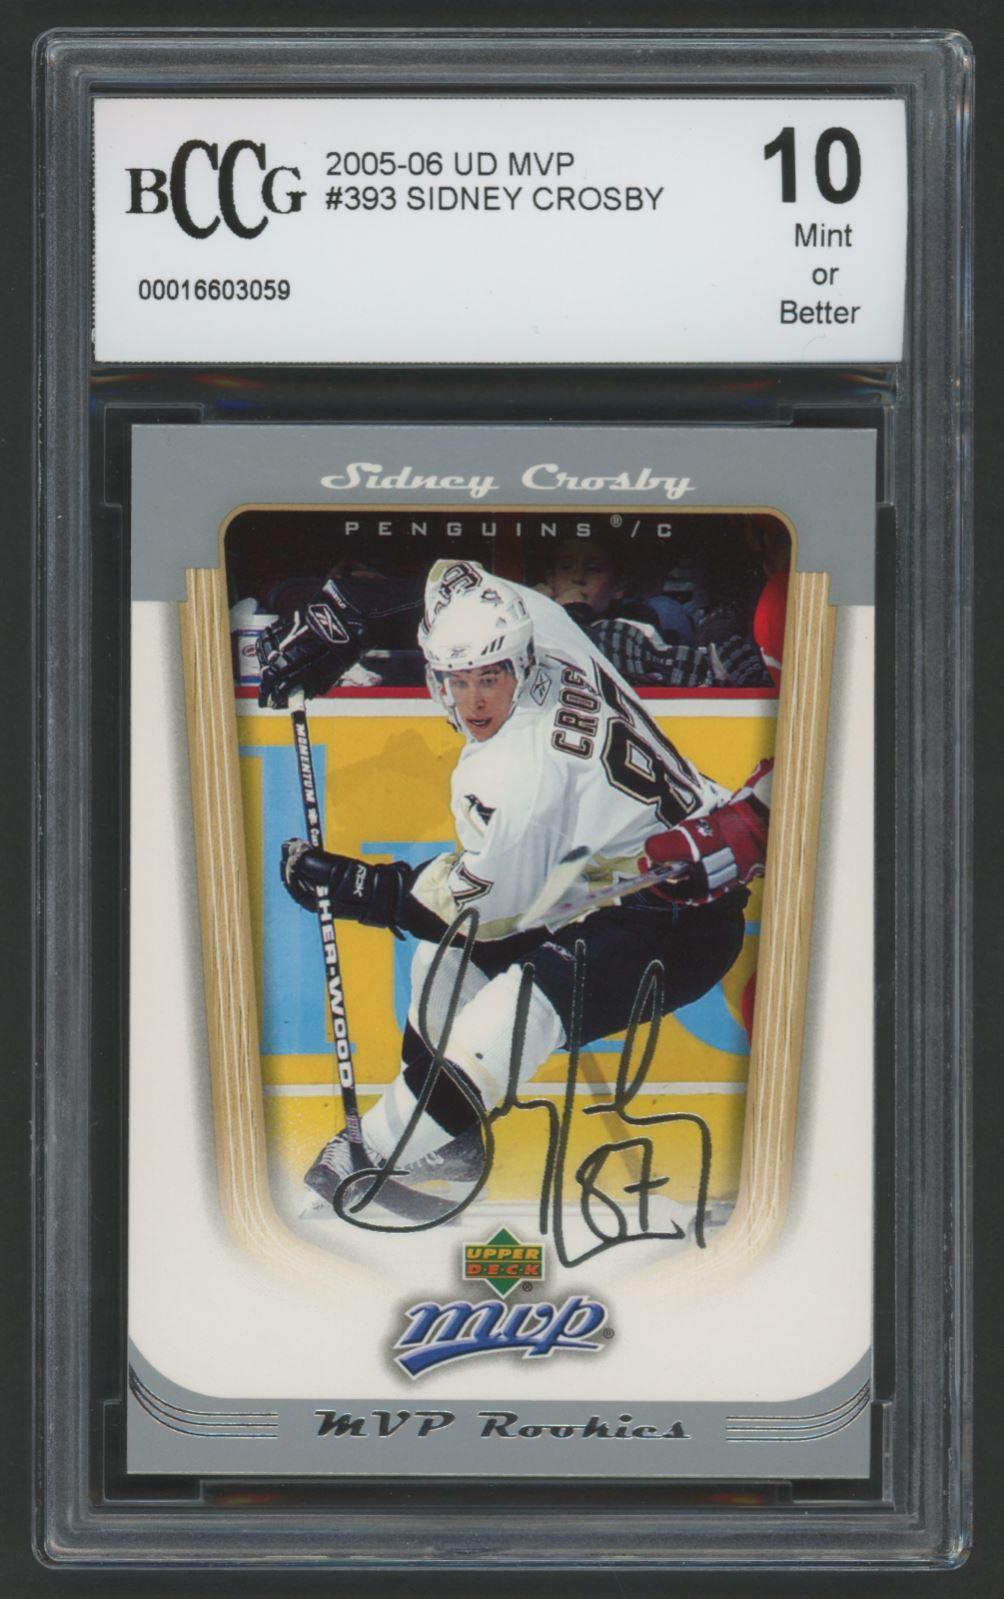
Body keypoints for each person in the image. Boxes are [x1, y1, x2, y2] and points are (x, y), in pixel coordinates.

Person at [258, 559, 771, 1208]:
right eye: (458, 680)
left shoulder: (519, 773)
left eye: (491, 678)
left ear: (520, 666)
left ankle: (370, 1159)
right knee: (442, 971)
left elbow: (484, 911)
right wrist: (345, 615)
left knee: (510, 1015)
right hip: (607, 875)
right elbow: (450, 582)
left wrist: (363, 888)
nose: (475, 701)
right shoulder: (543, 623)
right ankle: (449, 1149)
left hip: (676, 919)